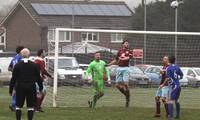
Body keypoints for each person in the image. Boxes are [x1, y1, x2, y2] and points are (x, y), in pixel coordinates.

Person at [9, 48, 43, 120]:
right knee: (30, 107)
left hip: (20, 87)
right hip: (31, 88)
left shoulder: (17, 65)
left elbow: (13, 79)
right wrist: (41, 88)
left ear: (21, 55)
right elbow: (39, 78)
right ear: (29, 55)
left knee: (18, 106)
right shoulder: (34, 65)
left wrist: (10, 89)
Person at [108, 40, 132, 107]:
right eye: (126, 43)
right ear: (123, 44)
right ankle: (126, 95)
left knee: (126, 84)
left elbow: (128, 58)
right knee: (117, 85)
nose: (127, 44)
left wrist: (123, 58)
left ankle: (128, 99)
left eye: (128, 43)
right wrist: (109, 64)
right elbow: (116, 60)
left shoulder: (129, 51)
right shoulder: (119, 51)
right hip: (119, 68)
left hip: (126, 68)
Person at [8, 46, 24, 111]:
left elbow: (9, 68)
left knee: (16, 91)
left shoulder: (14, 58)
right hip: (19, 78)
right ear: (21, 51)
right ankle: (14, 105)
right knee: (19, 92)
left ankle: (13, 105)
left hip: (14, 77)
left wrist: (14, 71)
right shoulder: (20, 58)